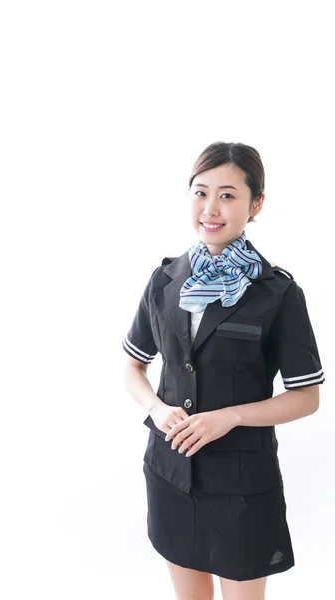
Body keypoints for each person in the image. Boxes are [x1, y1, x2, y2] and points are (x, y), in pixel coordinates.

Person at [122, 141, 325, 600]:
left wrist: (229, 416)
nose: (211, 208)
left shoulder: (278, 294)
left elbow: (306, 397)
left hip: (241, 485)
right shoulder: (166, 279)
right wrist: (156, 408)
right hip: (170, 473)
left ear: (256, 204)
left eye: (229, 195)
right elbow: (133, 367)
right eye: (201, 192)